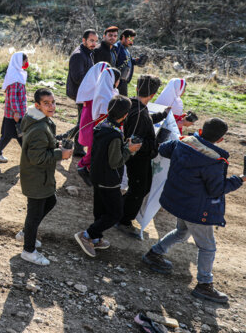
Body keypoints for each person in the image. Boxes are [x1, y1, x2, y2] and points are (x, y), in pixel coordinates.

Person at [141, 118, 244, 304]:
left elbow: (163, 149)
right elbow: (216, 189)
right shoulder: (214, 161)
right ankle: (204, 284)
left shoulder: (182, 142)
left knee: (182, 231)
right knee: (207, 247)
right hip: (197, 209)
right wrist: (241, 179)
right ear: (220, 140)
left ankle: (154, 253)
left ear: (200, 130)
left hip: (177, 201)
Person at [74, 95, 140, 257]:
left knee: (101, 209)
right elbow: (116, 162)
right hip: (109, 180)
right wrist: (129, 150)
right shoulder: (115, 135)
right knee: (115, 213)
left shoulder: (102, 126)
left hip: (96, 175)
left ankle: (96, 238)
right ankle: (87, 235)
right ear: (125, 115)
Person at [17, 88, 73, 265]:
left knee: (51, 201)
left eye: (53, 102)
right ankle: (28, 250)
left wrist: (55, 144)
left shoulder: (42, 121)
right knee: (34, 215)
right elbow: (37, 158)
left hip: (42, 177)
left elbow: (42, 147)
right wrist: (60, 155)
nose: (51, 106)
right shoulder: (40, 128)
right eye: (46, 103)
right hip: (36, 178)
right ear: (37, 105)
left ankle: (26, 233)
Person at [117, 75, 170, 237]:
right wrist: (157, 144)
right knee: (138, 188)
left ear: (136, 89)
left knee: (143, 186)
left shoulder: (133, 105)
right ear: (153, 95)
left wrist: (162, 115)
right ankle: (124, 221)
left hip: (138, 156)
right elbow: (136, 140)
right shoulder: (139, 111)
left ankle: (120, 211)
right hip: (137, 157)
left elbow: (145, 119)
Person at [74, 62, 112, 184]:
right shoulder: (96, 92)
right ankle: (84, 166)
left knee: (93, 146)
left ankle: (88, 167)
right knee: (93, 145)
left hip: (92, 122)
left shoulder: (91, 90)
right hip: (93, 123)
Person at [0, 52, 28, 163]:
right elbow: (12, 98)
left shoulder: (17, 74)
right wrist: (16, 112)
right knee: (18, 135)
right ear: (19, 61)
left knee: (11, 134)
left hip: (15, 113)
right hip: (14, 114)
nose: (26, 63)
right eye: (25, 60)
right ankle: (28, 156)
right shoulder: (14, 77)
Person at [67, 29, 98, 156]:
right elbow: (77, 77)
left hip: (85, 92)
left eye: (96, 41)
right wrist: (94, 83)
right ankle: (72, 144)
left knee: (82, 119)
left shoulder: (88, 53)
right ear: (83, 40)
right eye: (91, 40)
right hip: (79, 93)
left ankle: (69, 142)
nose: (94, 44)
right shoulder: (78, 55)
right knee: (83, 120)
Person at [114, 29, 146, 96]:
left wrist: (136, 61)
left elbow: (128, 61)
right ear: (123, 37)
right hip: (118, 81)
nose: (131, 43)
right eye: (130, 40)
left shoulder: (125, 49)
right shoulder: (116, 48)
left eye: (132, 40)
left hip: (124, 81)